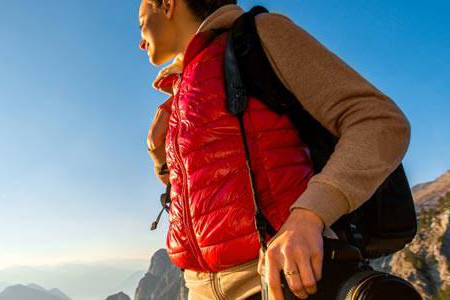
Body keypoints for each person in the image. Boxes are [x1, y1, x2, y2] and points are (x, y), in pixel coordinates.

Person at [137, 1, 412, 299]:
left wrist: (310, 215)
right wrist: (159, 156)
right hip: (198, 287)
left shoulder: (257, 37)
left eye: (142, 24)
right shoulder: (180, 89)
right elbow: (203, 197)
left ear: (166, 5)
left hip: (278, 281)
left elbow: (379, 121)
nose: (141, 41)